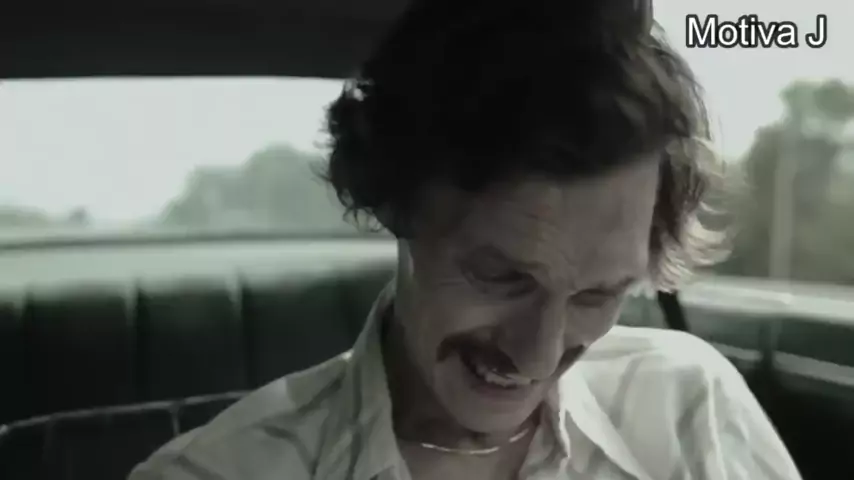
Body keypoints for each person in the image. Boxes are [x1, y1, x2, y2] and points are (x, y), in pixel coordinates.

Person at [129, 1, 802, 479]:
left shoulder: (691, 406)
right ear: (397, 202)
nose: (539, 353)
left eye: (598, 294)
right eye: (502, 276)